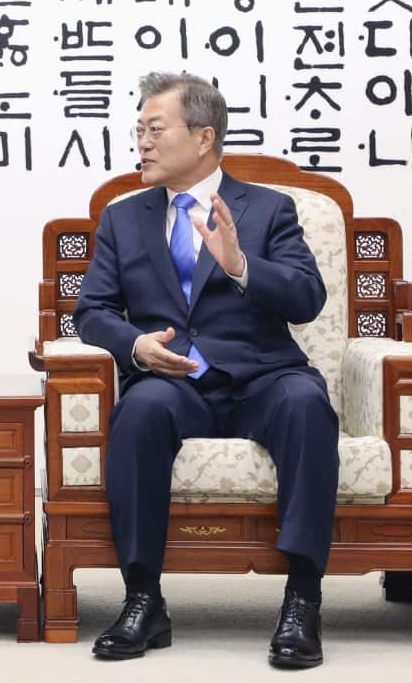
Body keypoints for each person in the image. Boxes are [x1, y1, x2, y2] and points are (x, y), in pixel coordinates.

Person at [74, 72, 338, 669]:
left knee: (306, 404)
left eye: (154, 128)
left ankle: (302, 599)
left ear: (203, 138)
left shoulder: (270, 208)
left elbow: (307, 299)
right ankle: (144, 599)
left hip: (264, 377)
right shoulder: (124, 218)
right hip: (174, 381)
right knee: (138, 411)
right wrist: (136, 345)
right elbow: (91, 311)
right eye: (137, 129)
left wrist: (242, 263)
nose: (140, 141)